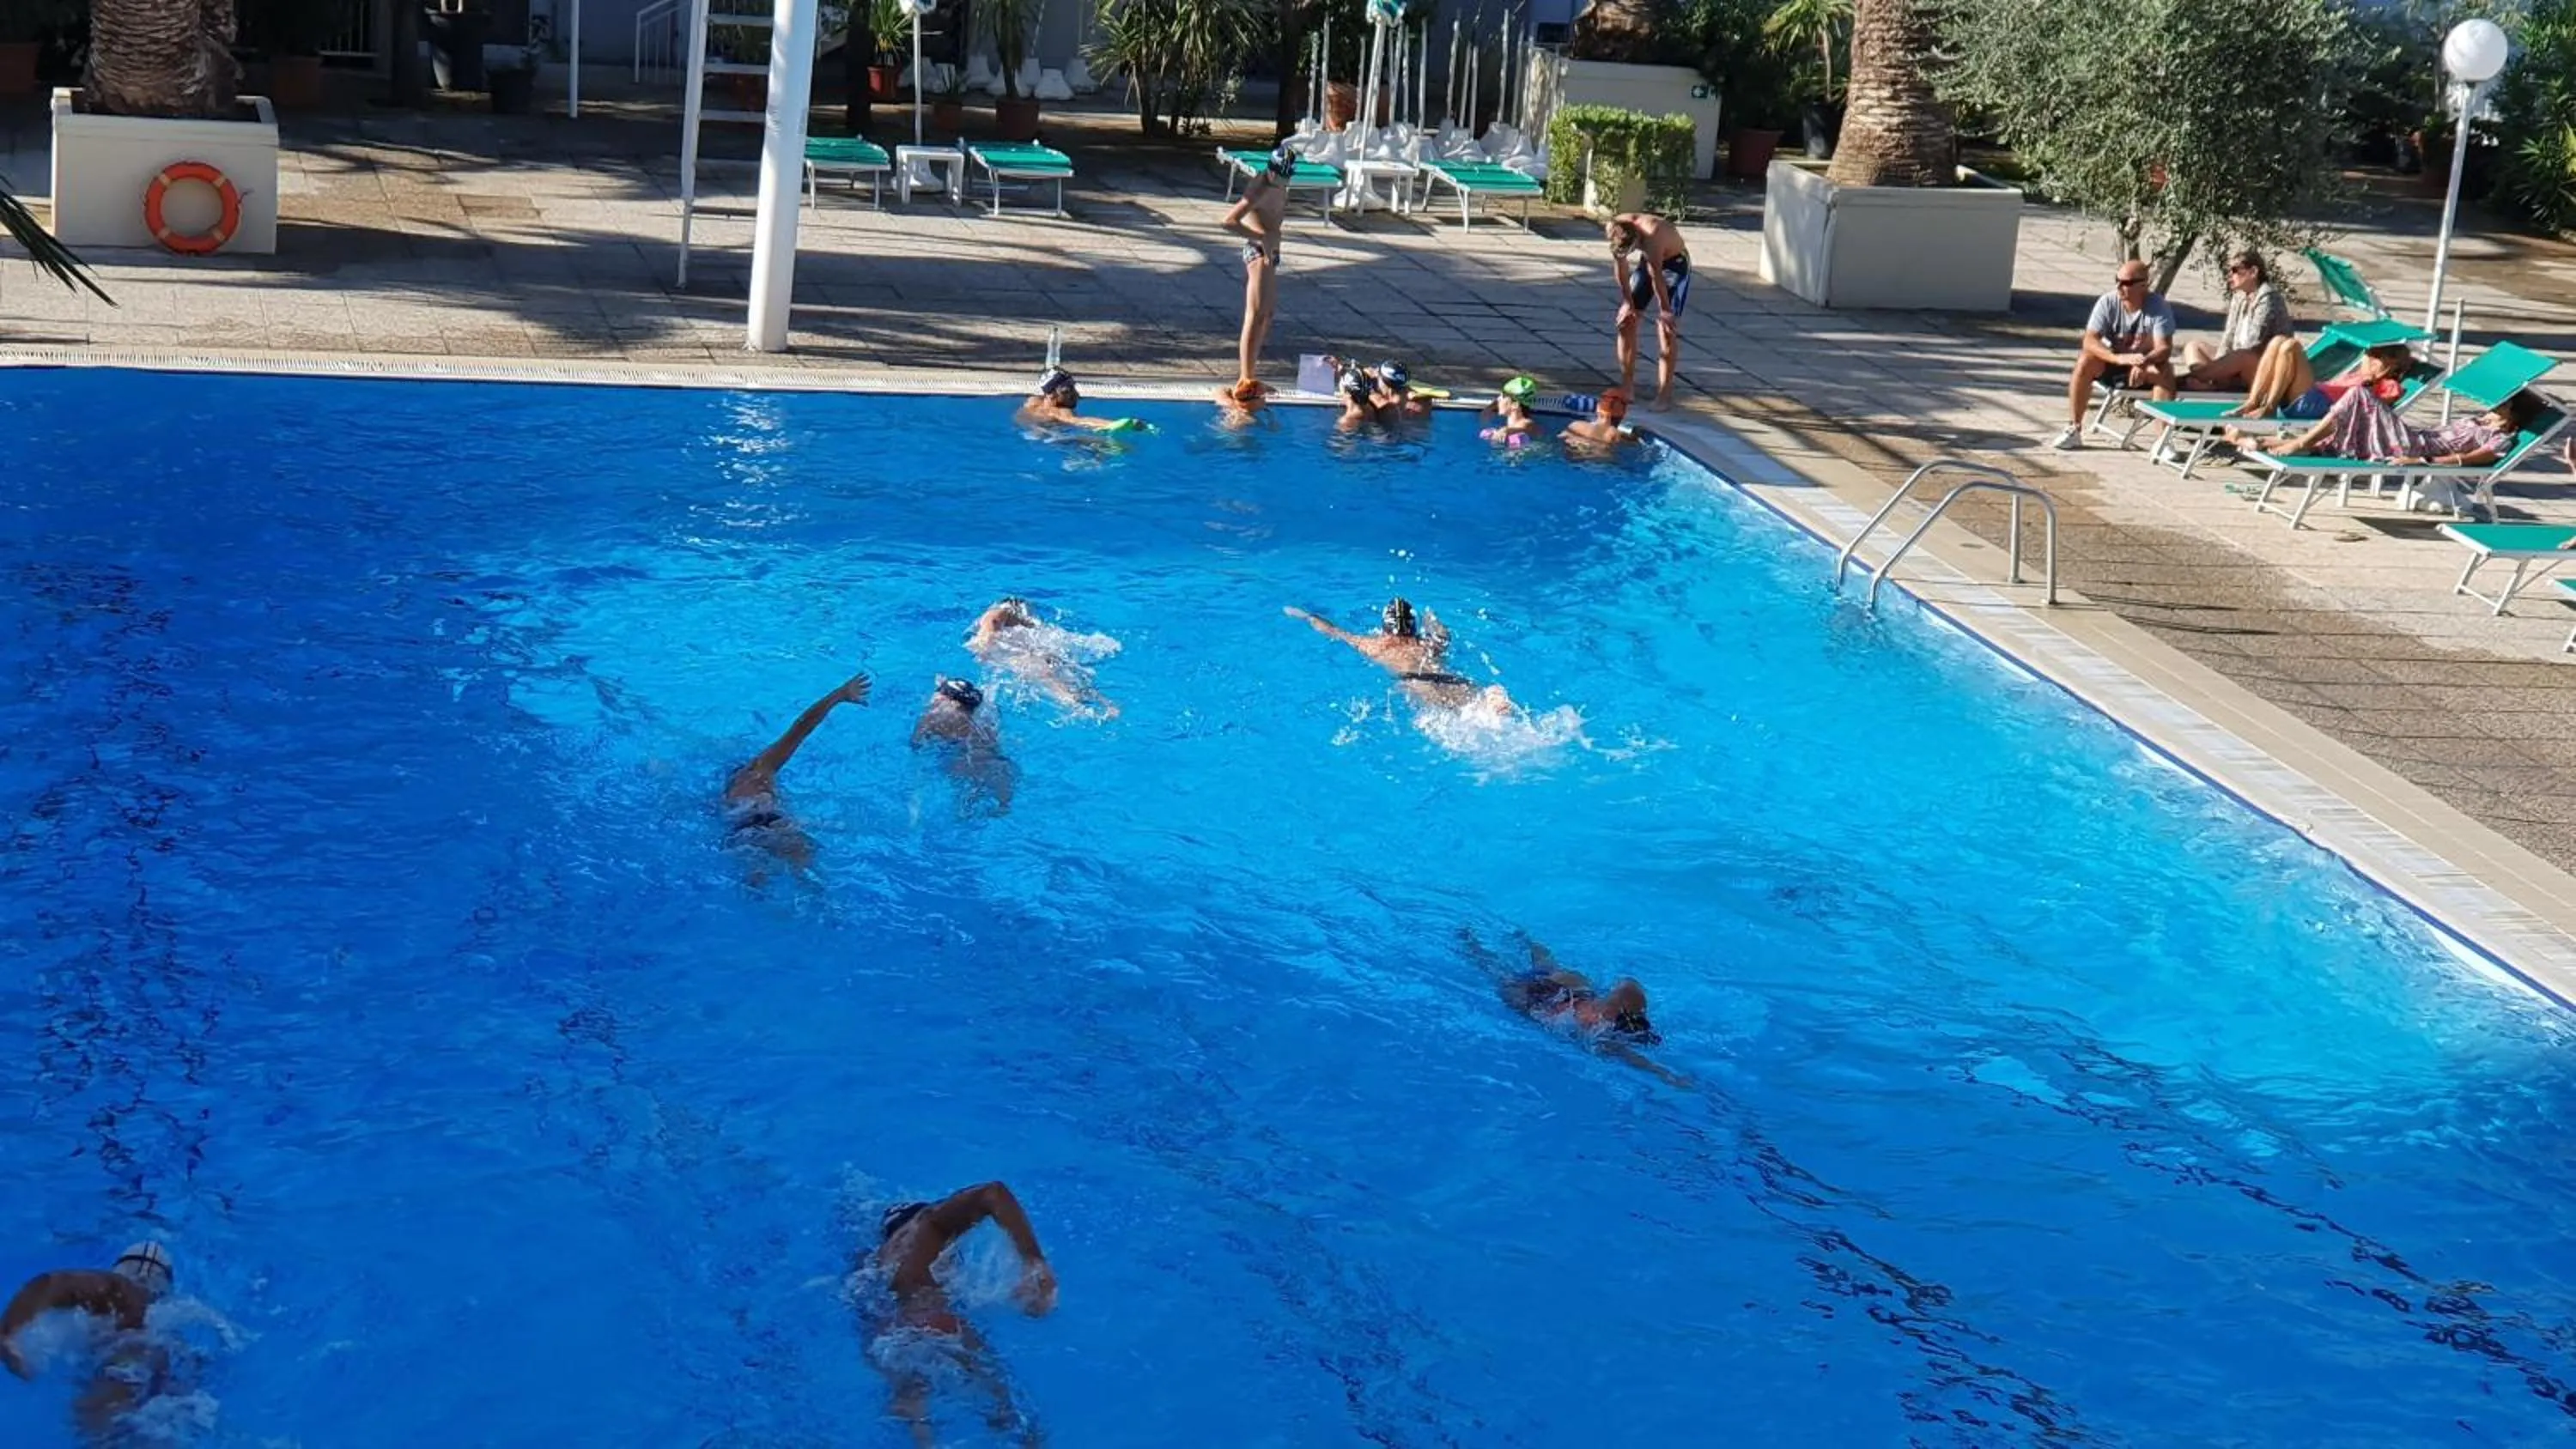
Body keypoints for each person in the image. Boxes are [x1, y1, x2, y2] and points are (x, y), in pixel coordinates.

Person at [863, 1182, 1057, 1449]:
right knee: (1006, 1405)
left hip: (887, 1332)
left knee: (911, 1402)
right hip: (935, 1322)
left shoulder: (878, 1264)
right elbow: (994, 1192)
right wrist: (1035, 1261)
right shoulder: (926, 1230)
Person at [2242, 387, 2541, 512]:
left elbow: (2474, 458)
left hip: (2419, 445)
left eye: (2504, 400)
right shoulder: (2486, 418)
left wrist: (2423, 461)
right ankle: (2271, 443)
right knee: (2350, 423)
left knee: (2359, 395)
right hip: (2417, 436)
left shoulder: (2500, 438)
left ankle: (2297, 443)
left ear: (2513, 410)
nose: (2497, 401)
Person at [1459, 930, 1686, 1086]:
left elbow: (1627, 985)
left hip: (1571, 988)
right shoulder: (1601, 1032)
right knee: (1496, 969)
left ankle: (1516, 938)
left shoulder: (1603, 1024)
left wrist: (1665, 1074)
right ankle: (1474, 941)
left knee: (1535, 965)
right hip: (1547, 996)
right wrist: (1666, 1075)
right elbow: (1632, 1057)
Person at [2, 1243, 178, 1439]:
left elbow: (51, 1283)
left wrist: (6, 1333)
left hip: (120, 1376)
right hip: (155, 1389)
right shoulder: (171, 1326)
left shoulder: (120, 1291)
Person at [1282, 597, 1517, 719]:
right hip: (1454, 681)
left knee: (1455, 723)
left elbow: (1332, 631)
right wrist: (1431, 618)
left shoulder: (1373, 646)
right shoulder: (1426, 644)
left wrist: (1307, 616)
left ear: (1384, 626)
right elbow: (1444, 635)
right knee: (1479, 704)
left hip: (1417, 683)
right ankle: (1494, 704)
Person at [725, 670, 872, 862]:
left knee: (758, 877)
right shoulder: (761, 769)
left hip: (743, 833)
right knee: (809, 866)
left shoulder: (734, 790)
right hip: (769, 823)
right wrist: (839, 695)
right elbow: (802, 727)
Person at [2049, 260, 2178, 450]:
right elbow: (2089, 340)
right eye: (2117, 280)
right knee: (2086, 360)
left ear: (2143, 285)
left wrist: (2143, 361)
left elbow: (2164, 348)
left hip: (2142, 365)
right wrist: (2118, 358)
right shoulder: (2108, 302)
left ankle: (2163, 442)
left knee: (2164, 371)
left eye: (2126, 283)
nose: (2119, 286)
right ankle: (2074, 428)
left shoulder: (2158, 307)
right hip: (2114, 363)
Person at [1220, 144, 1295, 389]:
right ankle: (1245, 377)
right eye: (1277, 174)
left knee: (1268, 315)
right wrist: (1260, 237)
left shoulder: (1281, 184)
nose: (1280, 180)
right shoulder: (1258, 188)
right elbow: (1229, 222)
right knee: (1255, 315)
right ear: (1270, 169)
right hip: (1258, 251)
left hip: (1271, 253)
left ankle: (1251, 373)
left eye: (1285, 176)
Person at [967, 596, 1116, 718]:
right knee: (1066, 671)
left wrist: (983, 648)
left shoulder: (998, 613)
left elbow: (990, 626)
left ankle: (1075, 704)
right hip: (1040, 649)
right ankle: (1105, 703)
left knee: (1045, 676)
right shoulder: (1027, 626)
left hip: (1021, 653)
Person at [2222, 340, 2410, 433]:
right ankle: (2254, 402)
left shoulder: (2389, 384)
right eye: (2369, 352)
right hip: (2310, 399)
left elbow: (2379, 408)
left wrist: (2376, 379)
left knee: (2291, 346)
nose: (2368, 356)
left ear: (2390, 364)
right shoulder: (2358, 374)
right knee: (2278, 342)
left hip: (2317, 405)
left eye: (2375, 355)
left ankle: (2269, 407)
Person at [2177, 251, 2294, 391]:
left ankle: (2187, 381)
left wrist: (2223, 365)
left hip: (2266, 369)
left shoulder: (2268, 298)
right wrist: (2220, 364)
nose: (2230, 277)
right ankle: (2211, 382)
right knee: (2194, 346)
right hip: (2237, 362)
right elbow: (2229, 336)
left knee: (2242, 356)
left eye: (2234, 271)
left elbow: (2254, 343)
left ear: (2253, 272)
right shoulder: (2239, 297)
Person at [1607, 213, 1690, 411]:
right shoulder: (1614, 228)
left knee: (1665, 329)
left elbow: (1657, 276)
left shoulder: (1654, 235)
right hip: (1650, 264)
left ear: (1638, 239)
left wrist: (1665, 311)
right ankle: (1627, 388)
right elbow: (1620, 267)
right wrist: (1628, 302)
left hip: (1675, 265)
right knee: (1626, 322)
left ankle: (1664, 395)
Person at [911, 676, 1016, 812]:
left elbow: (916, 744)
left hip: (961, 762)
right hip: (998, 766)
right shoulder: (984, 720)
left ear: (942, 697)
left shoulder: (933, 715)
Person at [1014, 367, 1145, 434]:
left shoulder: (1032, 401)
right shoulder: (1059, 412)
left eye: (1073, 387)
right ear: (1051, 395)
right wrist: (1113, 424)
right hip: (1052, 437)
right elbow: (1079, 421)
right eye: (1067, 390)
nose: (1075, 394)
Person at [1561, 388, 1635, 452]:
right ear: (1622, 413)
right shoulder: (1615, 435)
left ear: (1598, 408)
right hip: (1599, 460)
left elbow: (1561, 438)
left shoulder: (1576, 425)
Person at [1479, 375, 1541, 448]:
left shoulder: (1528, 424)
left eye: (1503, 396)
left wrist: (1506, 430)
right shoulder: (1514, 425)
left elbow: (1525, 429)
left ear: (1515, 405)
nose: (1498, 399)